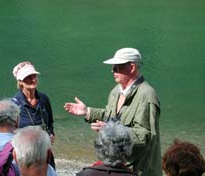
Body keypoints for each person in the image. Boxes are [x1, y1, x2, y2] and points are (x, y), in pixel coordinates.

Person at [64, 48, 162, 176]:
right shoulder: (116, 91)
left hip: (140, 170)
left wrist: (113, 131)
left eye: (117, 67)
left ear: (132, 67)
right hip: (119, 168)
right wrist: (87, 112)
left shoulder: (147, 95)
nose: (113, 71)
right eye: (113, 67)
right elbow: (110, 116)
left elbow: (146, 136)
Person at [12, 61, 56, 169]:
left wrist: (51, 134)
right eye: (28, 77)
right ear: (20, 82)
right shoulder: (14, 104)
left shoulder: (43, 98)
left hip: (45, 151)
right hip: (25, 154)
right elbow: (12, 132)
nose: (33, 79)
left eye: (34, 76)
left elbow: (50, 122)